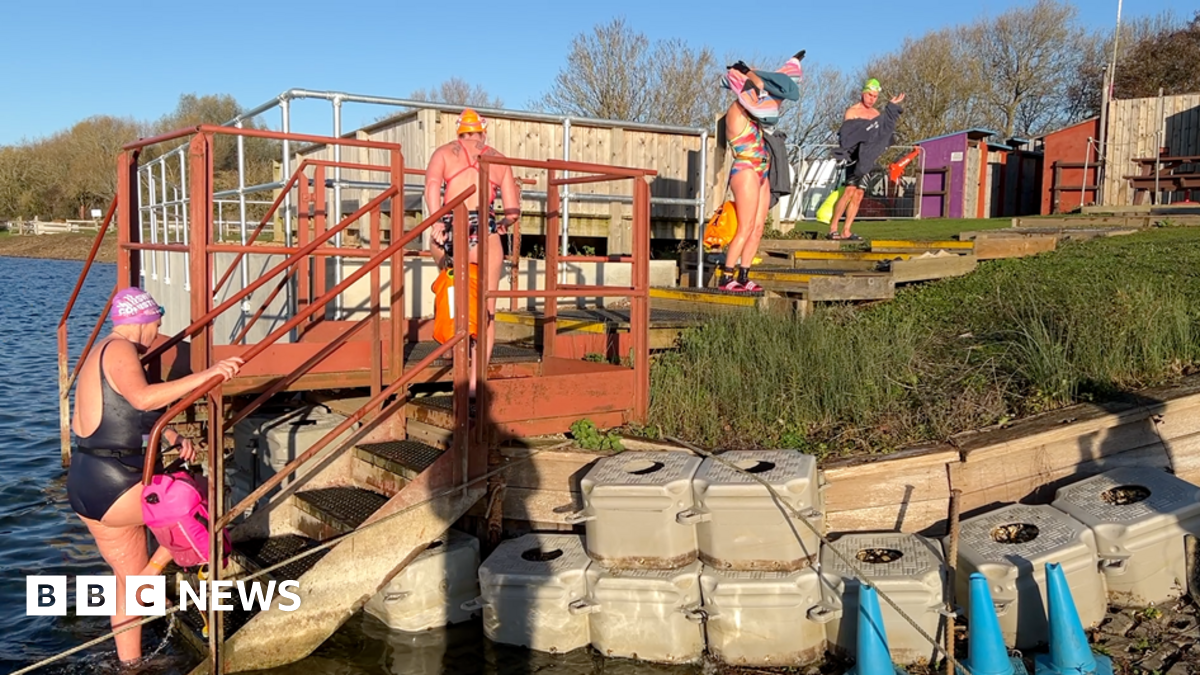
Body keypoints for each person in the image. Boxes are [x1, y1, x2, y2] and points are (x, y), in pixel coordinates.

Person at [67, 287, 244, 667]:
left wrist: (172, 434)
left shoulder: (99, 351)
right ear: (142, 321)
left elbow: (125, 412)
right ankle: (158, 572)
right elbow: (142, 398)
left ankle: (129, 665)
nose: (160, 327)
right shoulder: (121, 349)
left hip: (86, 483)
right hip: (115, 484)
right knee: (201, 497)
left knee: (127, 583)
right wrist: (209, 375)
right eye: (157, 320)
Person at [424, 109, 520, 395]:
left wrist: (438, 221)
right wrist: (502, 223)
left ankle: (450, 349)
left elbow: (431, 188)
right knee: (487, 310)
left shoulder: (443, 153)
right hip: (485, 227)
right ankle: (476, 382)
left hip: (451, 222)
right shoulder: (498, 158)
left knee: (450, 284)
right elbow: (513, 211)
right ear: (483, 132)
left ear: (459, 133)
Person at [717, 53, 804, 292]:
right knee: (744, 226)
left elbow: (777, 93)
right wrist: (752, 74)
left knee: (757, 227)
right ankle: (726, 275)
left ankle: (744, 274)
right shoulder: (737, 109)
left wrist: (791, 68)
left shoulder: (756, 114)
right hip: (745, 168)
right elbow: (759, 86)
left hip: (762, 170)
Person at [827, 78, 905, 240]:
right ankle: (833, 228)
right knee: (849, 191)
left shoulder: (876, 115)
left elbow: (882, 133)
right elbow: (848, 137)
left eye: (875, 96)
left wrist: (891, 108)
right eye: (870, 95)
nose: (872, 99)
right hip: (854, 158)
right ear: (863, 93)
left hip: (867, 160)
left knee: (859, 194)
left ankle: (846, 230)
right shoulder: (852, 112)